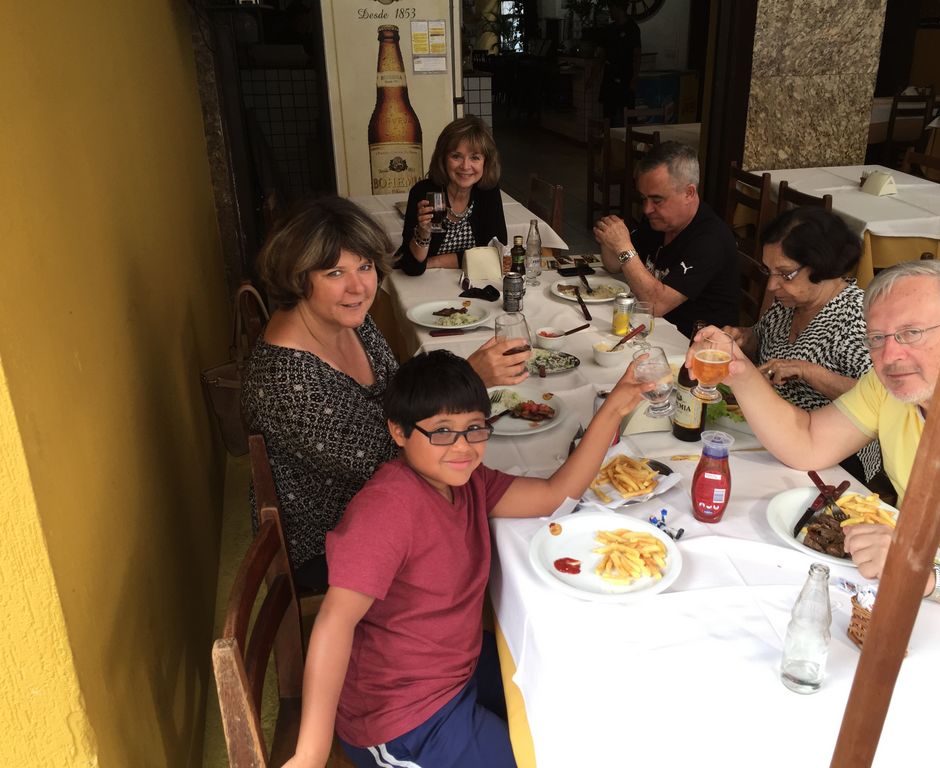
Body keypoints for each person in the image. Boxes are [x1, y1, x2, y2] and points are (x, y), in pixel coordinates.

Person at [282, 350, 651, 768]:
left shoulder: (469, 482)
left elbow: (553, 496)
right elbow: (335, 620)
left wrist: (615, 408)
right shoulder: (386, 510)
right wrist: (310, 753)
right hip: (402, 717)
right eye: (441, 431)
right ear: (399, 432)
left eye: (474, 429)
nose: (462, 448)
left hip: (458, 668)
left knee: (571, 706)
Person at [689, 260, 940, 618]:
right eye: (877, 338)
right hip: (911, 586)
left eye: (912, 332)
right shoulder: (891, 387)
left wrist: (922, 574)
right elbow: (807, 442)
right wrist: (738, 370)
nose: (890, 356)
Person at [242, 197, 530, 592]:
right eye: (334, 272)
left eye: (364, 266)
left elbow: (398, 392)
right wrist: (470, 379)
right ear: (298, 277)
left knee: (513, 501)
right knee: (506, 535)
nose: (359, 286)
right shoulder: (286, 378)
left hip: (378, 499)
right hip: (332, 538)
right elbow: (394, 454)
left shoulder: (345, 320)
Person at [722, 207, 881, 483]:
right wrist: (745, 338)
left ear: (822, 267)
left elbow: (880, 399)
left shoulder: (858, 317)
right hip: (772, 431)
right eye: (768, 271)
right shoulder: (790, 302)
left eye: (785, 273)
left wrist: (810, 372)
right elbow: (764, 340)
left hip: (833, 456)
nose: (771, 285)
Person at [593, 141, 740, 339]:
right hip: (655, 331)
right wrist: (609, 238)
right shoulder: (661, 222)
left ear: (689, 193)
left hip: (696, 348)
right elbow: (613, 265)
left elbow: (656, 305)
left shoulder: (711, 240)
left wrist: (622, 246)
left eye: (657, 200)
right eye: (644, 198)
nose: (647, 209)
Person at [396, 116, 507, 275]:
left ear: (486, 162)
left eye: (475, 157)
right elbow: (412, 267)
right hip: (425, 286)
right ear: (443, 158)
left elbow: (495, 253)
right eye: (456, 156)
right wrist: (423, 232)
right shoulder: (424, 192)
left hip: (471, 284)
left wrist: (435, 261)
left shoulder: (487, 192)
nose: (465, 166)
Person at [597, 0, 642, 127]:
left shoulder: (632, 28)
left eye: (611, 8)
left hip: (625, 76)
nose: (609, 11)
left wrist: (634, 79)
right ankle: (607, 142)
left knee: (627, 113)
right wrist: (593, 76)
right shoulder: (609, 29)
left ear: (618, 8)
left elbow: (637, 56)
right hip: (610, 75)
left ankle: (628, 142)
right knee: (608, 113)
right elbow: (601, 55)